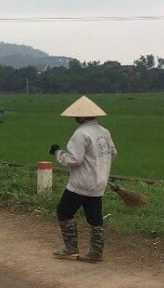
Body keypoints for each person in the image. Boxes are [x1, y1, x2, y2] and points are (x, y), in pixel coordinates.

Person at [49, 95, 117, 263]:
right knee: (95, 217)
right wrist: (99, 165)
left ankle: (71, 248)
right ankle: (96, 252)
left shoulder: (81, 133)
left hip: (81, 183)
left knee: (64, 211)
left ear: (80, 117)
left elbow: (74, 160)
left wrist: (58, 153)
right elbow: (113, 154)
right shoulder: (104, 132)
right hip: (99, 182)